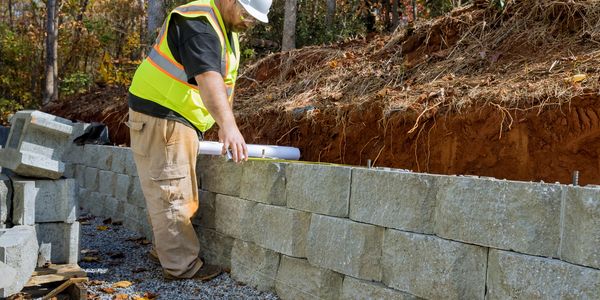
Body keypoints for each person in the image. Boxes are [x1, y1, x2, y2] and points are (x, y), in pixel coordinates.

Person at [126, 0, 271, 280]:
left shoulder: (222, 25)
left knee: (174, 190)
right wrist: (228, 126)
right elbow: (208, 78)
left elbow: (221, 80)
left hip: (176, 115)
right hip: (163, 113)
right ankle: (181, 267)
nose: (249, 22)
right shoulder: (200, 24)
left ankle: (166, 251)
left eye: (255, 19)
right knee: (173, 193)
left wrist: (219, 121)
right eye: (247, 14)